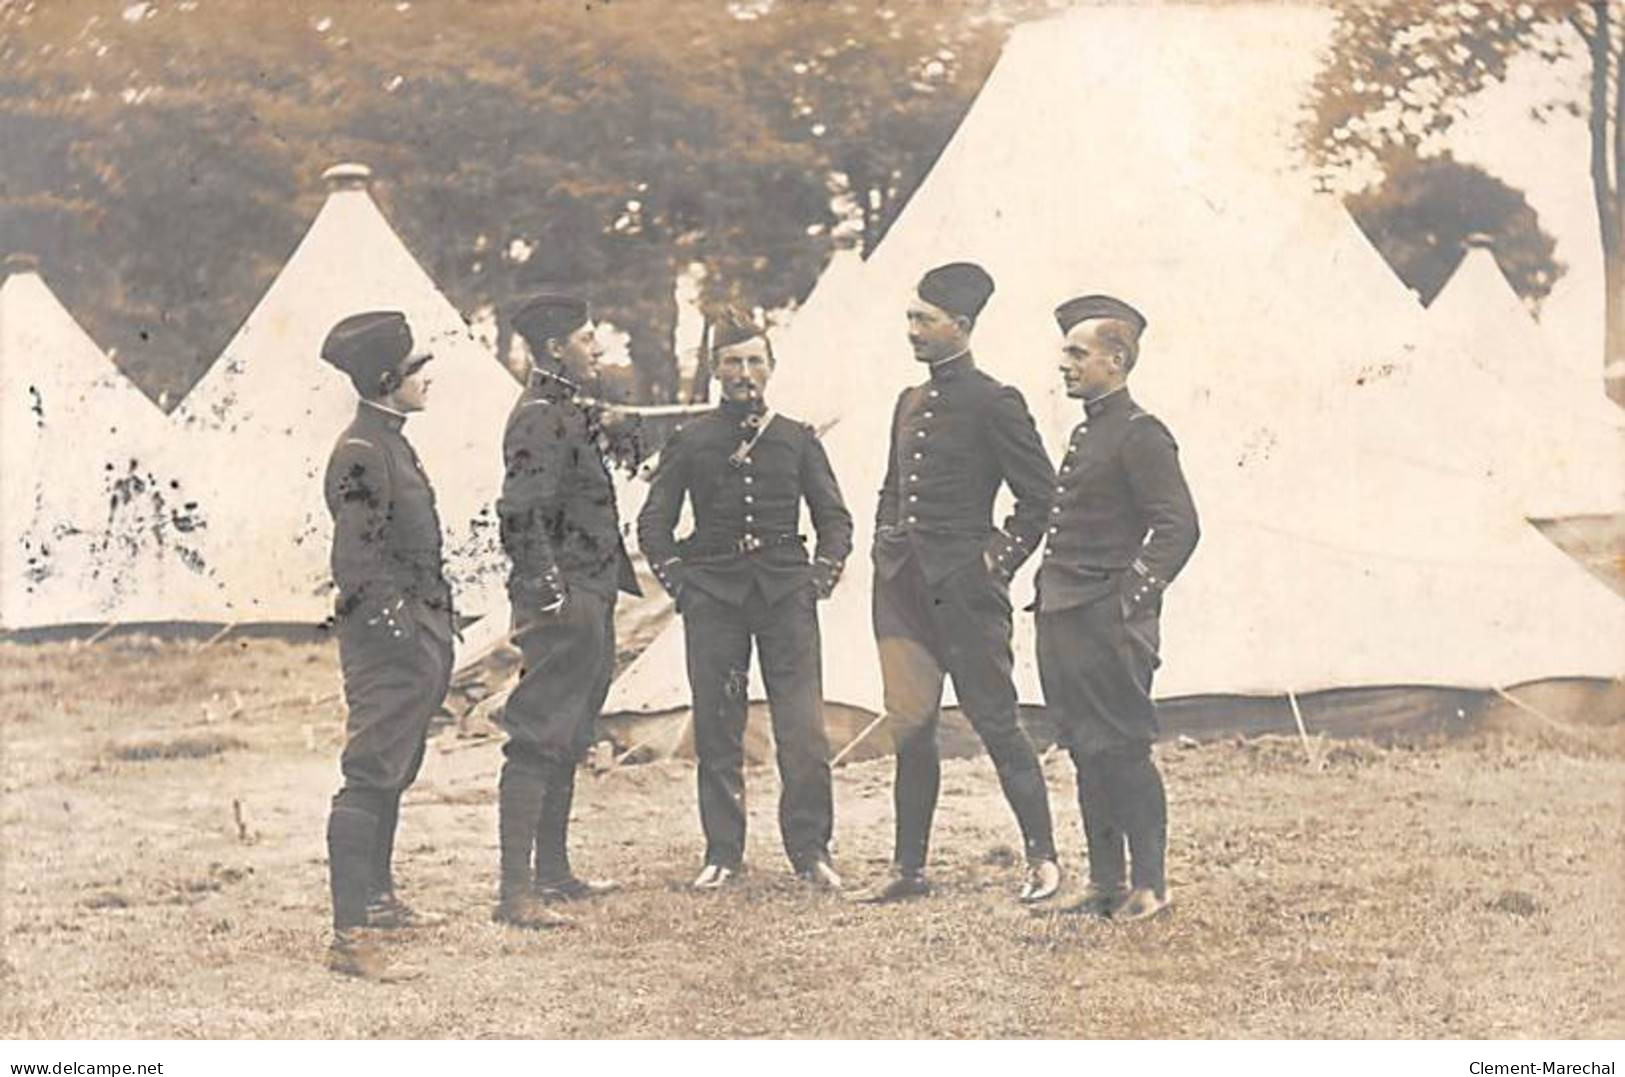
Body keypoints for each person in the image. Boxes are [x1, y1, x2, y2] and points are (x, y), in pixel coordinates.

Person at [854, 262, 1061, 905]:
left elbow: (1041, 498)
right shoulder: (908, 402)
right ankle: (906, 869)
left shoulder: (995, 401)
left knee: (996, 720)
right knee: (909, 725)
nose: (911, 331)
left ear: (962, 327)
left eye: (924, 320)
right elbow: (893, 486)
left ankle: (1043, 859)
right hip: (901, 594)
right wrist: (883, 539)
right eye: (910, 318)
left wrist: (994, 563)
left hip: (966, 595)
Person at [638, 310, 853, 890]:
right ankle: (723, 853)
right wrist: (682, 584)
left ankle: (811, 851)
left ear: (772, 368)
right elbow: (653, 525)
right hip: (715, 598)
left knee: (803, 729)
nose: (745, 373)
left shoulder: (797, 439)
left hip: (786, 596)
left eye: (755, 361)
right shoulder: (691, 440)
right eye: (733, 362)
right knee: (717, 725)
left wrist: (819, 577)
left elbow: (834, 519)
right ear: (715, 369)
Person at [1035, 294, 1199, 922]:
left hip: (1107, 621)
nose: (1064, 364)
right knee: (1084, 746)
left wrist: (1128, 599)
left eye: (1078, 353)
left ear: (1117, 360)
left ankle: (1150, 886)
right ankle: (1106, 882)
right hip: (1062, 615)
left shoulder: (1141, 434)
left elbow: (1178, 525)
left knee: (1123, 748)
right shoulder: (1087, 431)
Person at [493, 293, 641, 929]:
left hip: (591, 590)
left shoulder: (564, 411)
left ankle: (553, 874)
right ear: (554, 348)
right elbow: (519, 513)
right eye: (586, 338)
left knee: (571, 732)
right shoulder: (536, 418)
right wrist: (552, 593)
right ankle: (515, 893)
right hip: (565, 599)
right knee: (538, 735)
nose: (597, 348)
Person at [319, 310, 455, 981]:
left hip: (416, 638)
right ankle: (349, 937)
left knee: (395, 769)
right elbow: (356, 566)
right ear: (384, 378)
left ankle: (376, 898)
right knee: (369, 774)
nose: (426, 377)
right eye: (415, 368)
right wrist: (405, 636)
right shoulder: (362, 452)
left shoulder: (390, 441)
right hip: (386, 646)